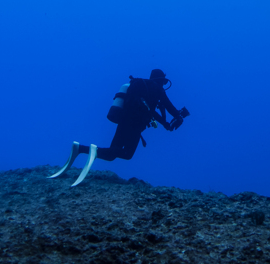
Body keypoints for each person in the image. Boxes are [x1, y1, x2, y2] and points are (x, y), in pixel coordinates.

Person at [49, 69, 190, 187]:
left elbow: (152, 112)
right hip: (135, 125)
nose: (163, 85)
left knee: (111, 154)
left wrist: (165, 123)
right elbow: (168, 106)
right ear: (160, 80)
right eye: (164, 82)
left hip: (124, 120)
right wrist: (178, 116)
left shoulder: (143, 88)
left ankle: (81, 148)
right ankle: (93, 150)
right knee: (127, 155)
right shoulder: (157, 88)